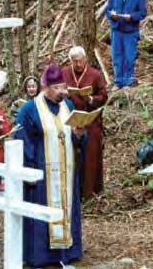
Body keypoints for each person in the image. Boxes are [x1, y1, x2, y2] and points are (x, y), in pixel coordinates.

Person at [15, 64, 86, 268]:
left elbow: (77, 138)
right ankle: (42, 255)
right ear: (45, 87)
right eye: (57, 88)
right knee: (42, 211)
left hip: (67, 169)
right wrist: (29, 172)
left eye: (64, 87)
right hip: (42, 173)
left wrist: (80, 135)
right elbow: (22, 140)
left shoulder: (68, 106)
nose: (63, 92)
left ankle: (68, 251)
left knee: (66, 207)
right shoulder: (29, 110)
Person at [62, 46, 108, 200]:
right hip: (70, 118)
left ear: (85, 59)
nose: (78, 65)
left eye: (80, 61)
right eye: (75, 62)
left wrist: (91, 99)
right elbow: (58, 91)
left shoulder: (95, 75)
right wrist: (65, 94)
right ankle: (72, 191)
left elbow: (103, 95)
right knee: (71, 154)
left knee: (91, 152)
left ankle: (90, 191)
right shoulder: (65, 73)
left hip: (90, 119)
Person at [104, 0, 147, 91]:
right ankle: (118, 82)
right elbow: (107, 11)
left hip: (130, 32)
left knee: (129, 56)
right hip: (116, 31)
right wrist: (112, 16)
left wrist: (132, 17)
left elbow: (142, 13)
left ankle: (128, 81)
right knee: (117, 56)